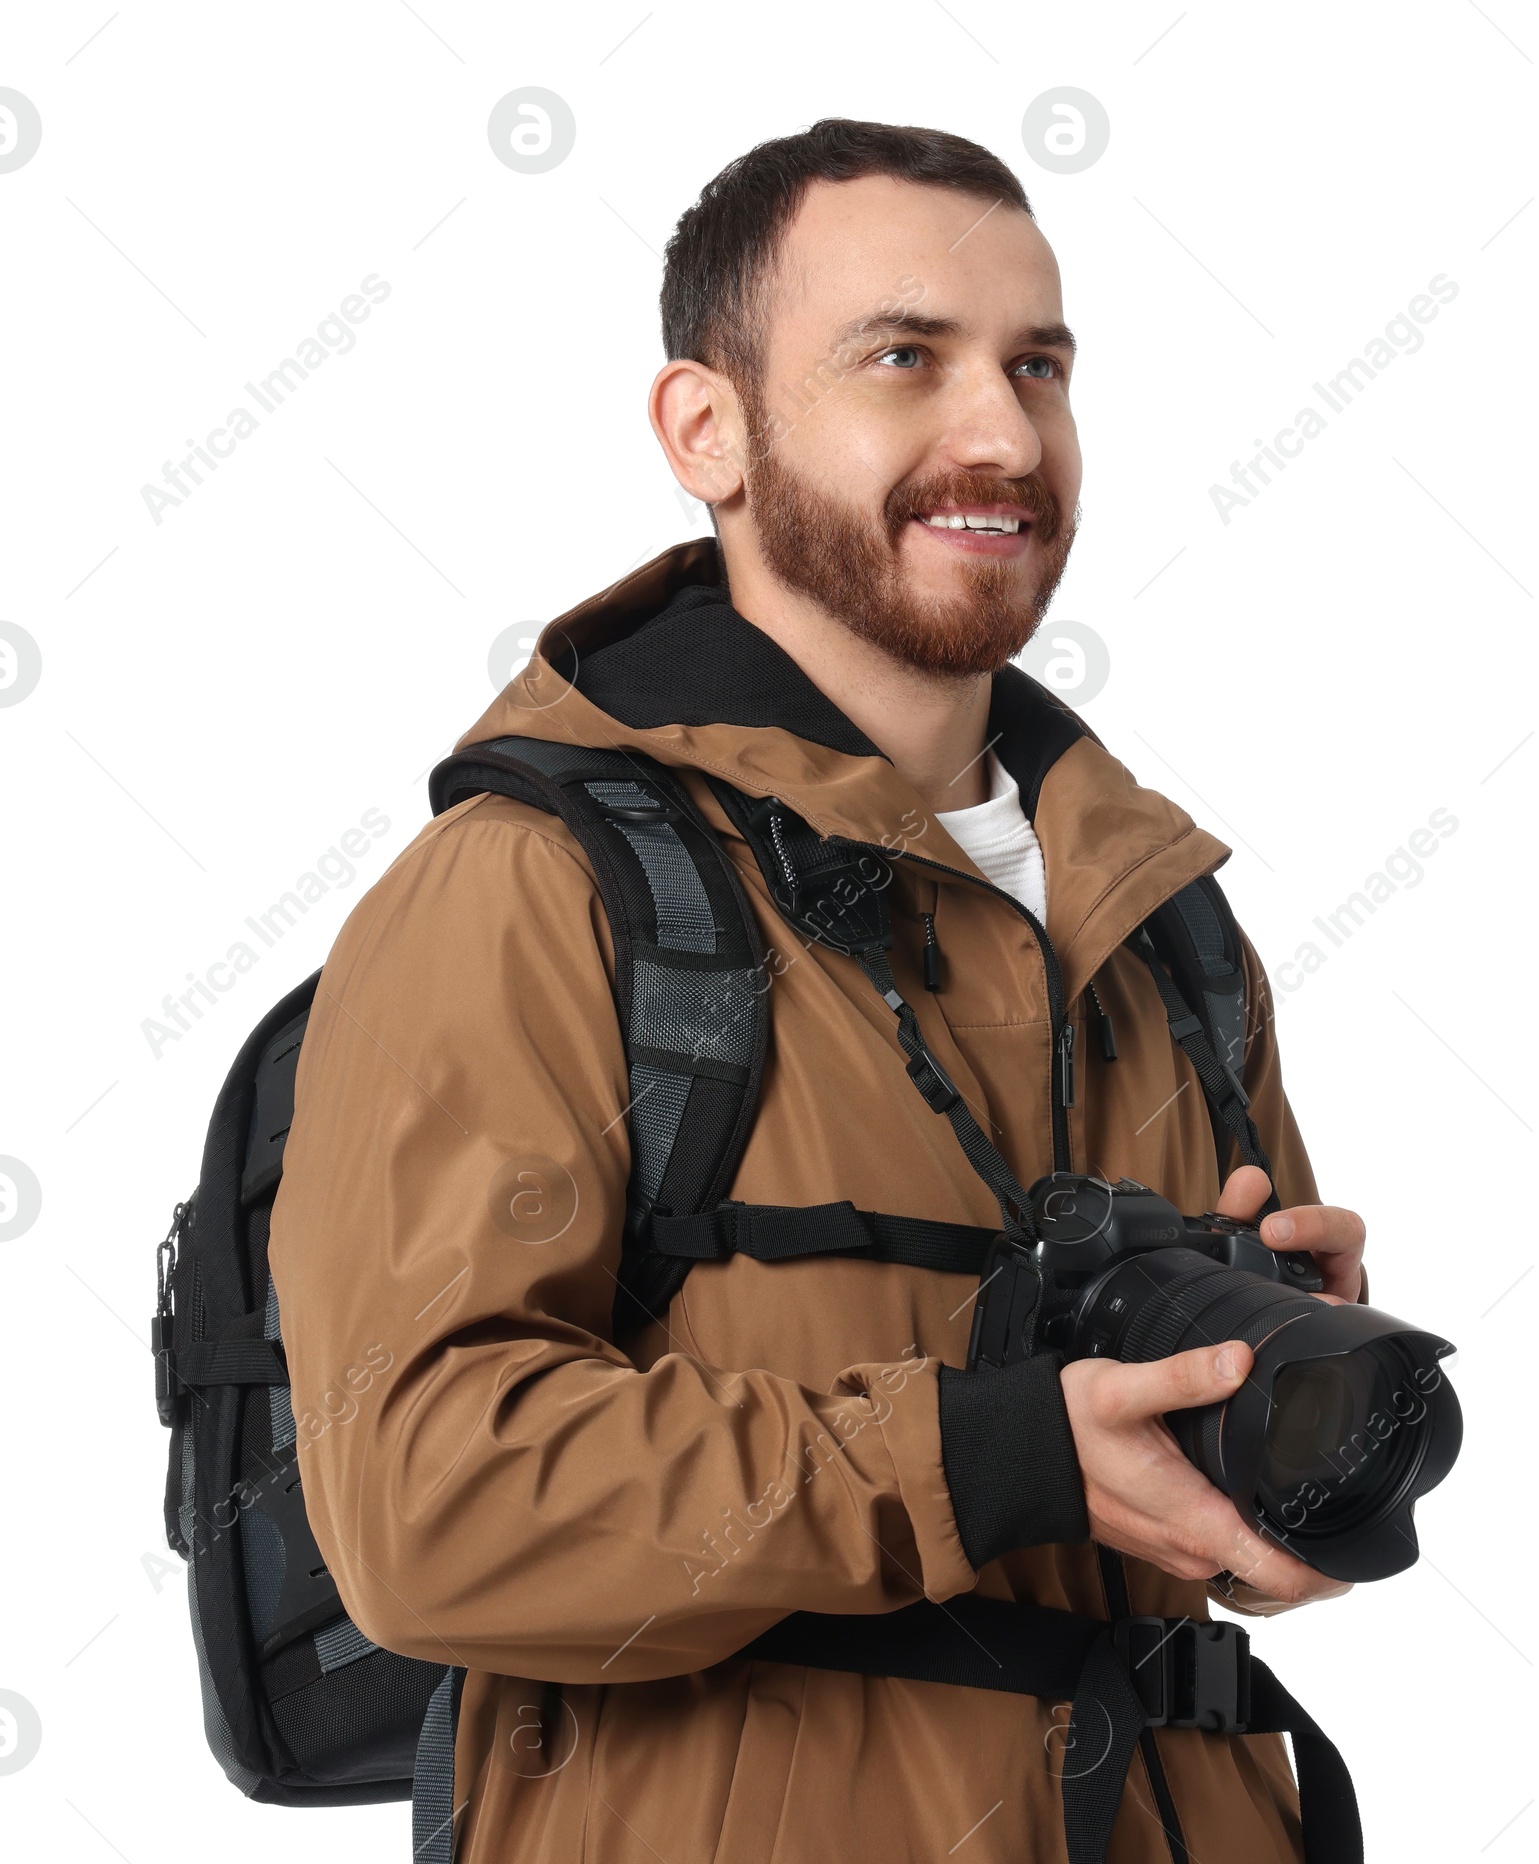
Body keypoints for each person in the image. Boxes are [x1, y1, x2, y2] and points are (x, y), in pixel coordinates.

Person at [269, 118, 1369, 1864]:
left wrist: (1260, 1431)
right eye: (904, 360)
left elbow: (1182, 1537)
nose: (1001, 434)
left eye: (1039, 366)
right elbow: (422, 1506)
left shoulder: (1158, 915)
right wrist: (990, 1457)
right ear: (705, 429)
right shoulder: (533, 888)